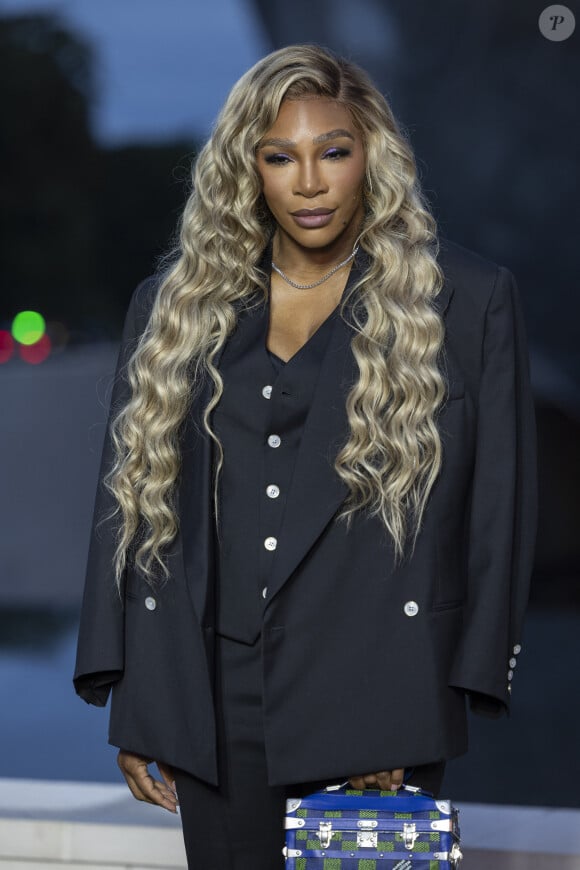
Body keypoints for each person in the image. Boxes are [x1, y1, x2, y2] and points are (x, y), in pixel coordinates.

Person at [74, 44, 537, 869]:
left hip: (377, 702)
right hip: (209, 705)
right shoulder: (175, 306)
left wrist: (424, 707)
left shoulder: (464, 301)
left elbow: (498, 511)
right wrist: (138, 697)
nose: (310, 182)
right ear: (247, 168)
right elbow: (131, 502)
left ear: (372, 157)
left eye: (334, 151)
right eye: (280, 157)